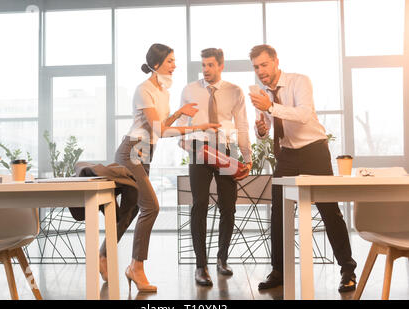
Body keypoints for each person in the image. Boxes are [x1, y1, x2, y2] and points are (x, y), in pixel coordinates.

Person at [248, 44, 357, 293]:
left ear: (275, 61)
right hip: (287, 155)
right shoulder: (262, 94)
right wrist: (261, 130)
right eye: (256, 67)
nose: (261, 71)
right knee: (279, 212)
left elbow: (304, 115)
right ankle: (279, 271)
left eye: (264, 64)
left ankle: (348, 270)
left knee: (329, 210)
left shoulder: (299, 81)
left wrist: (270, 107)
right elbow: (264, 129)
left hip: (314, 151)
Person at [115, 43, 220, 292]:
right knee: (151, 207)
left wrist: (178, 112)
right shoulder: (144, 90)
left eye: (174, 61)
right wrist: (198, 126)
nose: (175, 65)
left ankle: (103, 255)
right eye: (171, 61)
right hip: (131, 152)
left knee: (130, 212)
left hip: (146, 153)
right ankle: (136, 267)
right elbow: (160, 130)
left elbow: (159, 126)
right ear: (157, 64)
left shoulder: (163, 91)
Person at [178, 48, 252, 286]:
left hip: (225, 150)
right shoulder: (190, 90)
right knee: (199, 204)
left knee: (228, 207)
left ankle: (222, 259)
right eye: (203, 65)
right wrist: (183, 139)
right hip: (199, 150)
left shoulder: (234, 91)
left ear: (221, 65)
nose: (206, 69)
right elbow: (181, 122)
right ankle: (201, 266)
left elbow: (242, 125)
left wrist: (247, 157)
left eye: (210, 65)